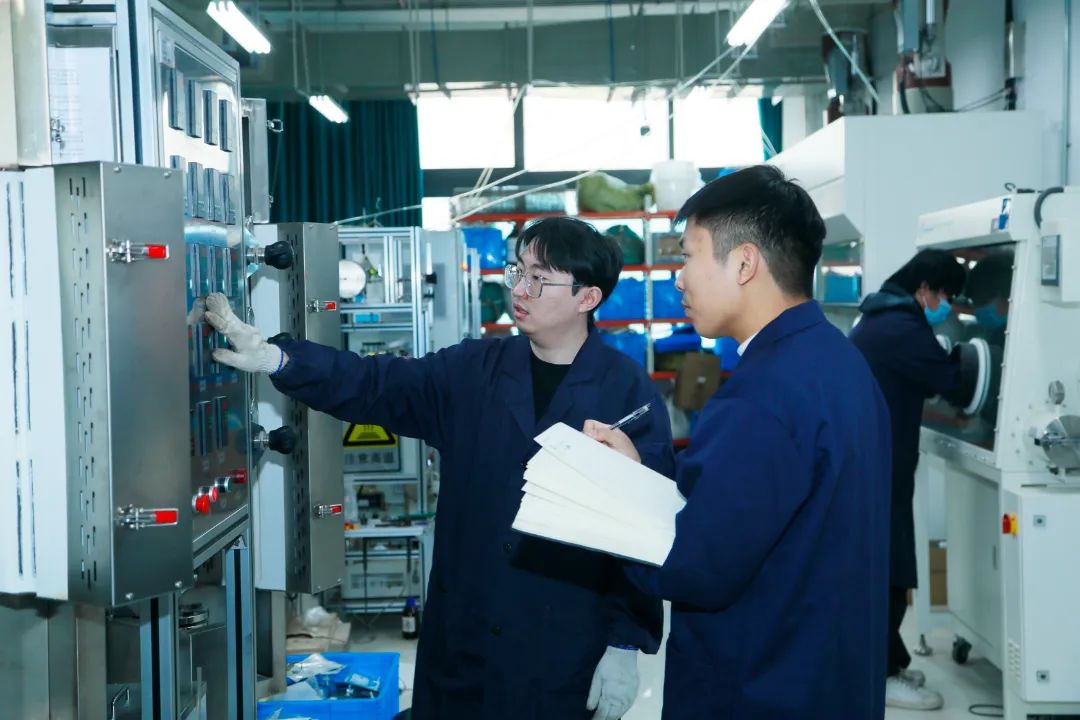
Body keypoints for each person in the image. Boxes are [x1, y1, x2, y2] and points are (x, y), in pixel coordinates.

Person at [204, 217, 674, 720]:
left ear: (588, 298)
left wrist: (625, 642)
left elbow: (644, 531)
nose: (519, 289)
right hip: (463, 641)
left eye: (539, 279)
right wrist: (277, 358)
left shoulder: (626, 393)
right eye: (518, 271)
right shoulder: (475, 370)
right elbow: (374, 383)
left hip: (561, 647)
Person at [585, 165, 892, 719]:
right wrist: (642, 473)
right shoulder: (839, 362)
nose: (679, 279)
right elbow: (759, 513)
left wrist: (604, 504)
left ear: (745, 263)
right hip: (827, 679)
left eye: (688, 256)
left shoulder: (761, 396)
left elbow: (695, 567)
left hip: (759, 688)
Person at [848, 249, 968, 711]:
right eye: (946, 296)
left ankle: (889, 662)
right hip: (880, 471)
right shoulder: (900, 327)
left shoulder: (881, 317)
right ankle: (880, 676)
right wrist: (979, 357)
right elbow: (951, 380)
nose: (947, 306)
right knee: (890, 572)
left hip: (877, 466)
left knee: (888, 567)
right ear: (924, 290)